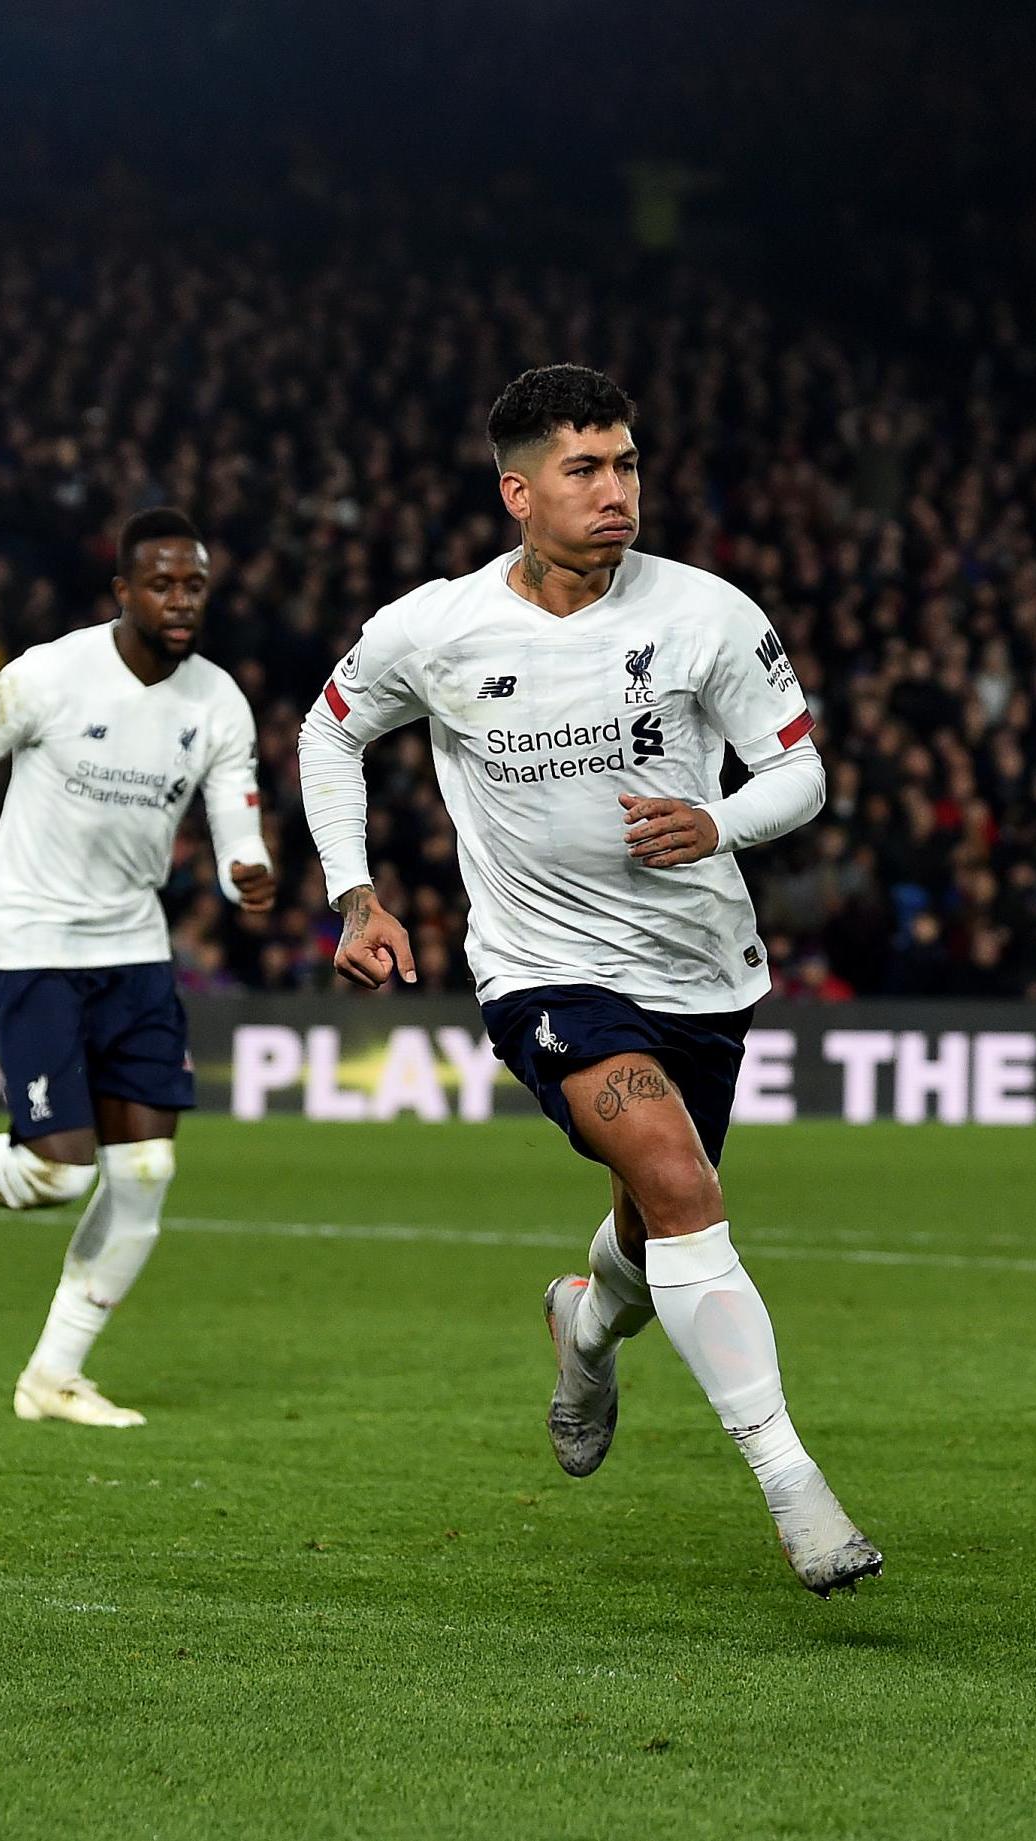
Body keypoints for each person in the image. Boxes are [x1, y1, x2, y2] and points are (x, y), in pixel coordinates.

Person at [297, 365, 878, 1594]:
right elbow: (329, 729)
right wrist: (355, 891)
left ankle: (587, 1318)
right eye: (585, 469)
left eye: (625, 465)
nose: (616, 491)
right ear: (518, 491)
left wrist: (717, 824)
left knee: (660, 1210)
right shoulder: (436, 627)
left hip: (703, 969)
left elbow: (801, 772)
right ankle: (796, 1490)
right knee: (675, 1177)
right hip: (543, 968)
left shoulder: (709, 612)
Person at [0, 509, 273, 1426]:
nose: (180, 601)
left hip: (134, 951)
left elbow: (235, 815)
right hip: (35, 943)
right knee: (59, 1173)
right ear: (123, 593)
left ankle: (51, 1377)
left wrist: (242, 866)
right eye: (162, 584)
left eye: (195, 585)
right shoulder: (49, 675)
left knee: (142, 1177)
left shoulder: (217, 701)